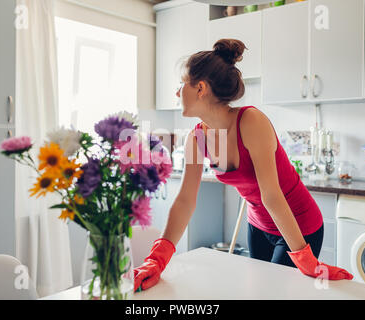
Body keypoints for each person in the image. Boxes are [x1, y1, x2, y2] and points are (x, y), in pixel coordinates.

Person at [133, 39, 353, 292]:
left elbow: (271, 195)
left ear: (200, 88)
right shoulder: (196, 138)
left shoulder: (250, 121)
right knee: (257, 293)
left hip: (298, 225)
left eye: (181, 85)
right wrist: (157, 259)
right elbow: (185, 201)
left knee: (280, 294)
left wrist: (305, 258)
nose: (176, 92)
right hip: (258, 225)